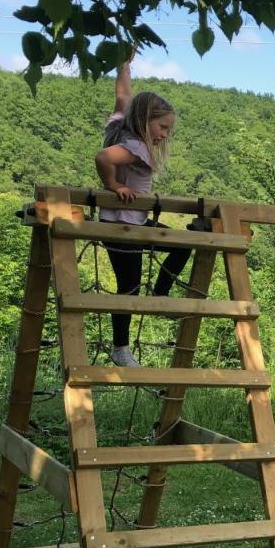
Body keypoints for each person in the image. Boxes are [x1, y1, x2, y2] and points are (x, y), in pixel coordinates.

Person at [94, 53, 191, 368]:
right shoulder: (136, 146)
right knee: (129, 287)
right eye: (162, 127)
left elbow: (122, 96)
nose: (164, 135)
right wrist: (113, 186)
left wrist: (123, 64)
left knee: (181, 245)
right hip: (123, 226)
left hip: (132, 221)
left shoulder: (122, 125)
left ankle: (161, 294)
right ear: (145, 119)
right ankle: (121, 347)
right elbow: (103, 158)